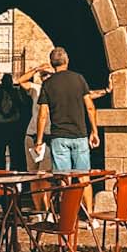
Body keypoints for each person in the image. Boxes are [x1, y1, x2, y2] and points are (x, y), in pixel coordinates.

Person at [33, 46, 100, 176]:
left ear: (52, 63)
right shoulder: (79, 79)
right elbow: (90, 107)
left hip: (59, 136)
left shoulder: (48, 84)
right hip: (80, 134)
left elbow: (42, 115)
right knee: (83, 177)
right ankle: (85, 191)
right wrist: (94, 131)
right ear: (67, 60)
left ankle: (65, 190)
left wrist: (39, 141)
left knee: (63, 178)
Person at [0, 73, 29, 171]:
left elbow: (22, 104)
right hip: (0, 125)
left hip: (13, 125)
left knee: (15, 152)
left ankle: (14, 171)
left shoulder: (16, 93)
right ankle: (0, 171)